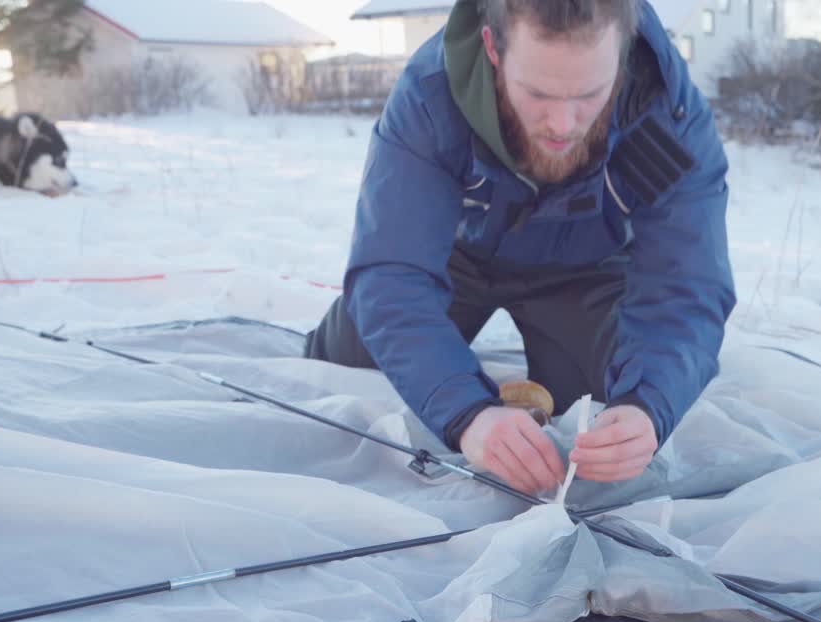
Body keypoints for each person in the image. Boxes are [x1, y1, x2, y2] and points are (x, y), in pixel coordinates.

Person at [306, 0, 735, 496]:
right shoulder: (432, 95)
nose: (562, 123)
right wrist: (467, 413)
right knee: (348, 370)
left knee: (605, 408)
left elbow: (687, 288)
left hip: (587, 269)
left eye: (589, 94)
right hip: (456, 255)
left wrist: (648, 407)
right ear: (492, 48)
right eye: (537, 94)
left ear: (621, 53)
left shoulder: (665, 115)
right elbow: (391, 274)